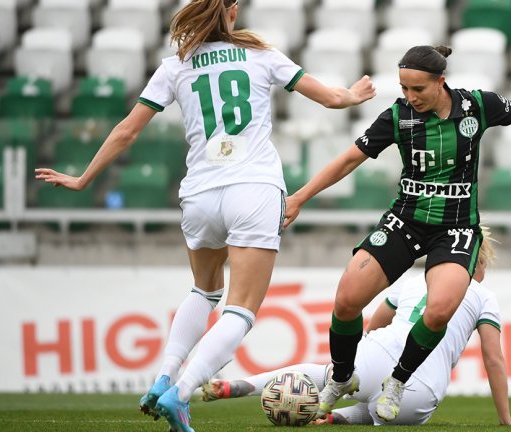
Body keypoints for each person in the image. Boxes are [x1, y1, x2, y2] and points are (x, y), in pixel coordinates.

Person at [34, 0, 374, 430]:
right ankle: (180, 394)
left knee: (204, 291)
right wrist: (353, 95)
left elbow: (127, 131)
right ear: (232, 11)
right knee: (241, 309)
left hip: (199, 194)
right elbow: (331, 98)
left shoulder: (175, 65)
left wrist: (84, 178)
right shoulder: (261, 54)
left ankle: (163, 377)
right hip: (253, 189)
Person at [282, 45, 511, 422]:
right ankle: (343, 377)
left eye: (418, 89)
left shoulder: (477, 105)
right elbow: (350, 159)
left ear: (440, 81)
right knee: (347, 299)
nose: (410, 97)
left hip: (456, 228)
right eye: (404, 88)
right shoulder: (398, 116)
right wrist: (299, 197)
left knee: (440, 308)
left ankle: (398, 381)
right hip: (405, 221)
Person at [201, 228, 511, 427]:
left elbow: (374, 325)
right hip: (421, 390)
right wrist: (505, 418)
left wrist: (360, 358)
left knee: (331, 373)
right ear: (478, 262)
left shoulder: (413, 283)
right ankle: (338, 417)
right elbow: (493, 359)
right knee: (384, 409)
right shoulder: (484, 296)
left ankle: (243, 384)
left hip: (375, 354)